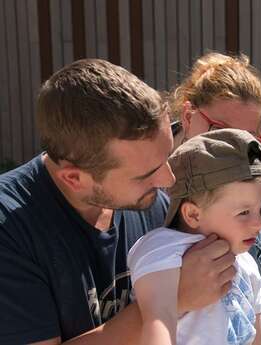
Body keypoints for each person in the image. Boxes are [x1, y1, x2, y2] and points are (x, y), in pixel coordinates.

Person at [0, 59, 236, 344]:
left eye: (166, 157)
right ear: (74, 178)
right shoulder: (10, 232)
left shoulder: (151, 203)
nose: (168, 180)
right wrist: (170, 300)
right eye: (147, 174)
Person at [128, 129, 261, 345]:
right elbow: (158, 322)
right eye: (244, 212)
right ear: (193, 214)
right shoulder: (164, 250)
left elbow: (258, 338)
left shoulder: (246, 263)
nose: (260, 223)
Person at [170, 52, 261, 288]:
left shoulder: (247, 164)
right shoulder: (147, 173)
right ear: (188, 116)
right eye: (219, 131)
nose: (233, 147)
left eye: (246, 138)